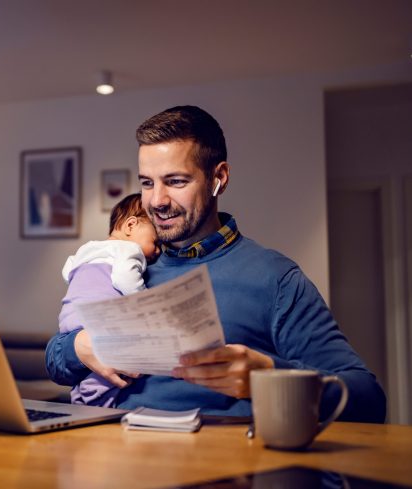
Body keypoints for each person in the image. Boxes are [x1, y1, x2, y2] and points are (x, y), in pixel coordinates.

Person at [46, 105, 386, 422]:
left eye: (176, 181)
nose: (157, 201)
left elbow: (368, 398)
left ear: (218, 178)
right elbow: (57, 361)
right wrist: (77, 347)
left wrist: (267, 376)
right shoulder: (129, 263)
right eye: (147, 183)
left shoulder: (275, 278)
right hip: (113, 462)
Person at [59, 193, 159, 407]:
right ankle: (93, 394)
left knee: (91, 364)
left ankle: (79, 396)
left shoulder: (88, 248)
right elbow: (125, 279)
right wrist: (144, 300)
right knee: (127, 356)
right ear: (131, 226)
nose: (158, 251)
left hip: (70, 316)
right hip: (100, 317)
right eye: (155, 242)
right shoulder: (130, 250)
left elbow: (67, 271)